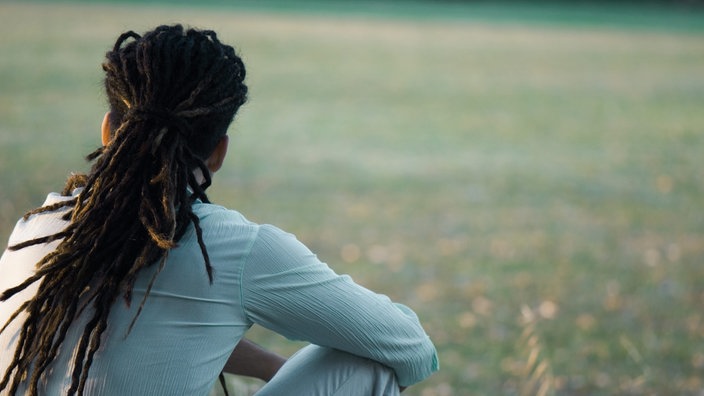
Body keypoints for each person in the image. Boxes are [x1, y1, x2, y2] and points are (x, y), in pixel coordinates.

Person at [0, 25, 438, 396]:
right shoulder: (233, 249)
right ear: (218, 153)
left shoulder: (33, 228)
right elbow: (411, 350)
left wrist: (271, 366)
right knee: (372, 365)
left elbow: (148, 317)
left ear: (108, 130)